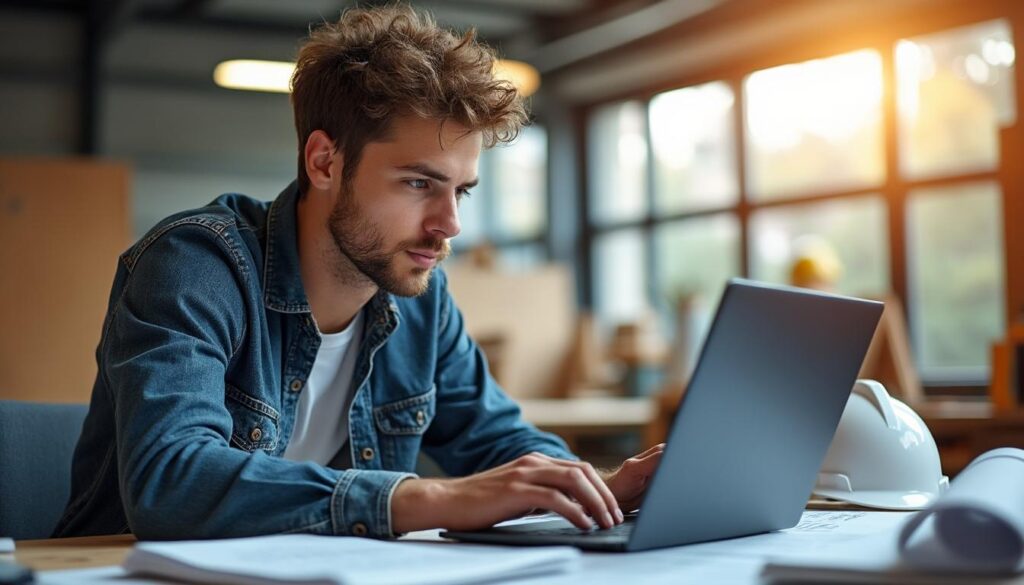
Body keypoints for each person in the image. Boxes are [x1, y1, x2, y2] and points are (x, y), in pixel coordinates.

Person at [54, 5, 663, 540]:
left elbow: (499, 440)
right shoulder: (195, 265)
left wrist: (601, 489)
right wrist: (423, 497)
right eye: (419, 183)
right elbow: (172, 482)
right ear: (324, 161)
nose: (449, 224)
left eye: (462, 192)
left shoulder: (422, 299)